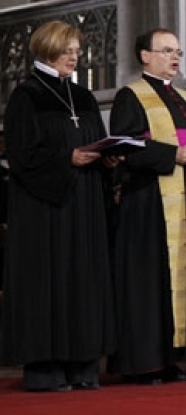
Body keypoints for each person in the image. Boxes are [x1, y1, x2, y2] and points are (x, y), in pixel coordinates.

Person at [1, 21, 116, 391]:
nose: (74, 57)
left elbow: (96, 141)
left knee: (83, 279)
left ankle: (82, 363)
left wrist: (108, 157)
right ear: (48, 48)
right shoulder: (27, 96)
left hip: (84, 204)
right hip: (45, 209)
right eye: (68, 50)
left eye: (77, 51)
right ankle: (45, 368)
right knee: (48, 282)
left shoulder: (81, 96)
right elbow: (21, 156)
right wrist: (67, 157)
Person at [110, 29, 186, 383]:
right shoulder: (130, 96)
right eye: (165, 51)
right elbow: (125, 148)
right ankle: (146, 362)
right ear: (144, 56)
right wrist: (171, 155)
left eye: (177, 51)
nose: (175, 58)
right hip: (148, 203)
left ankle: (181, 356)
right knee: (152, 281)